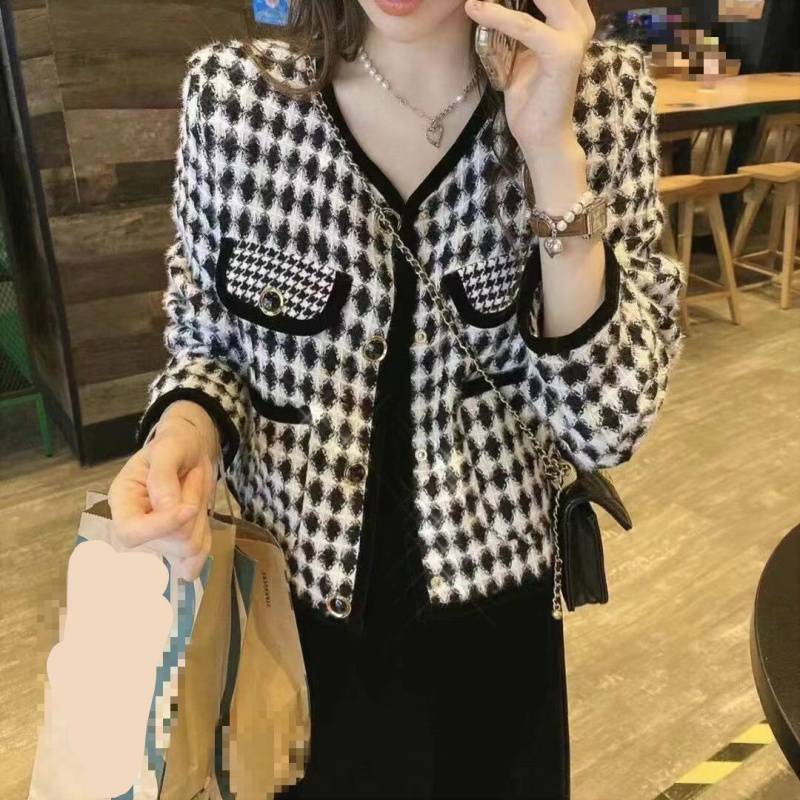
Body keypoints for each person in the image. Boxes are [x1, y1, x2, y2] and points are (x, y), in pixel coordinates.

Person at [108, 0, 686, 797]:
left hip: (493, 636)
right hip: (288, 621)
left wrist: (551, 154)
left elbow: (606, 424)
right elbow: (206, 345)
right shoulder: (236, 100)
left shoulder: (596, 96)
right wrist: (185, 429)